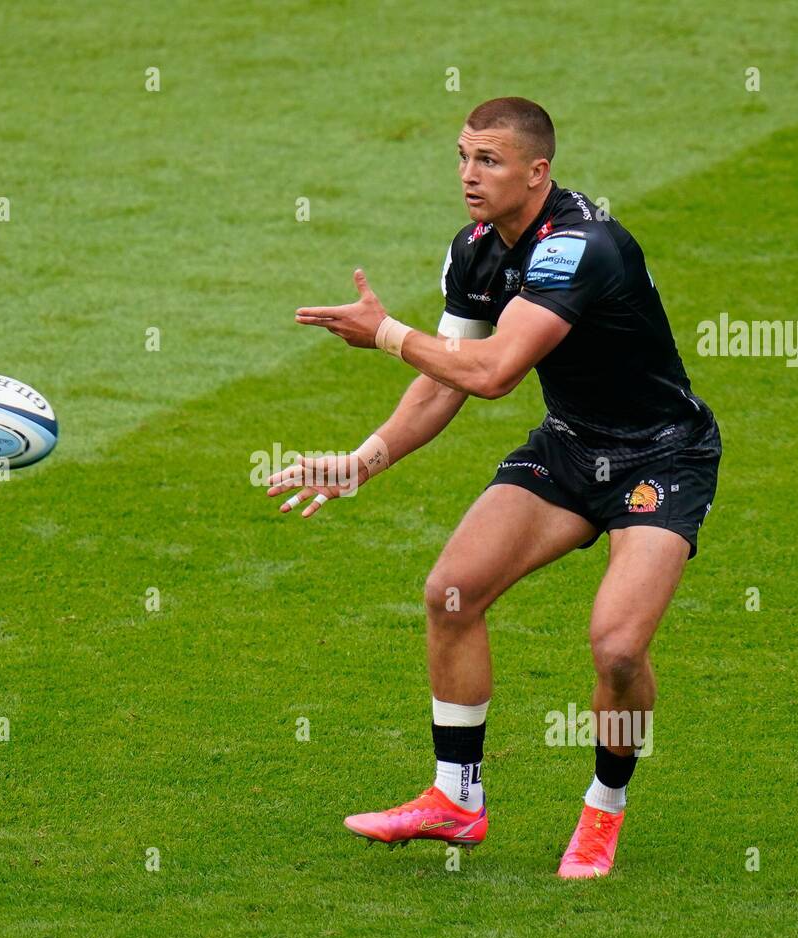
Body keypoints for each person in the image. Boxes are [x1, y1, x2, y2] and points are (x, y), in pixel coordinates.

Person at [267, 97, 720, 878]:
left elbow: (494, 375)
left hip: (661, 458)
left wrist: (383, 333)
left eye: (490, 162)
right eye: (463, 157)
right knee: (452, 590)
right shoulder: (475, 250)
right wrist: (362, 461)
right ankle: (455, 801)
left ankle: (603, 811)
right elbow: (448, 379)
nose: (469, 176)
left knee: (617, 647)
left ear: (537, 172)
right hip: (573, 447)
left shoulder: (580, 247)